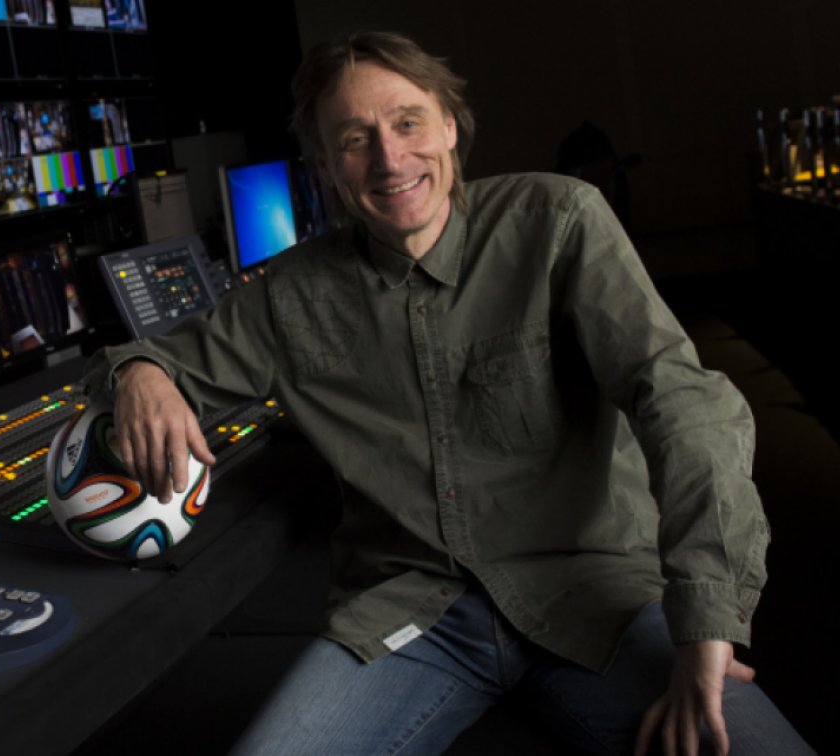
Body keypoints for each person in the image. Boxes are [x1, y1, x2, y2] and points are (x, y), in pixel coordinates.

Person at [84, 31, 812, 755]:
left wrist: (704, 616)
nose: (389, 158)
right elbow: (146, 358)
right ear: (327, 169)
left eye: (408, 123)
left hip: (595, 594)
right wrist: (139, 374)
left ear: (451, 127)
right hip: (412, 616)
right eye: (355, 140)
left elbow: (683, 403)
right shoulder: (292, 293)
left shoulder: (557, 221)